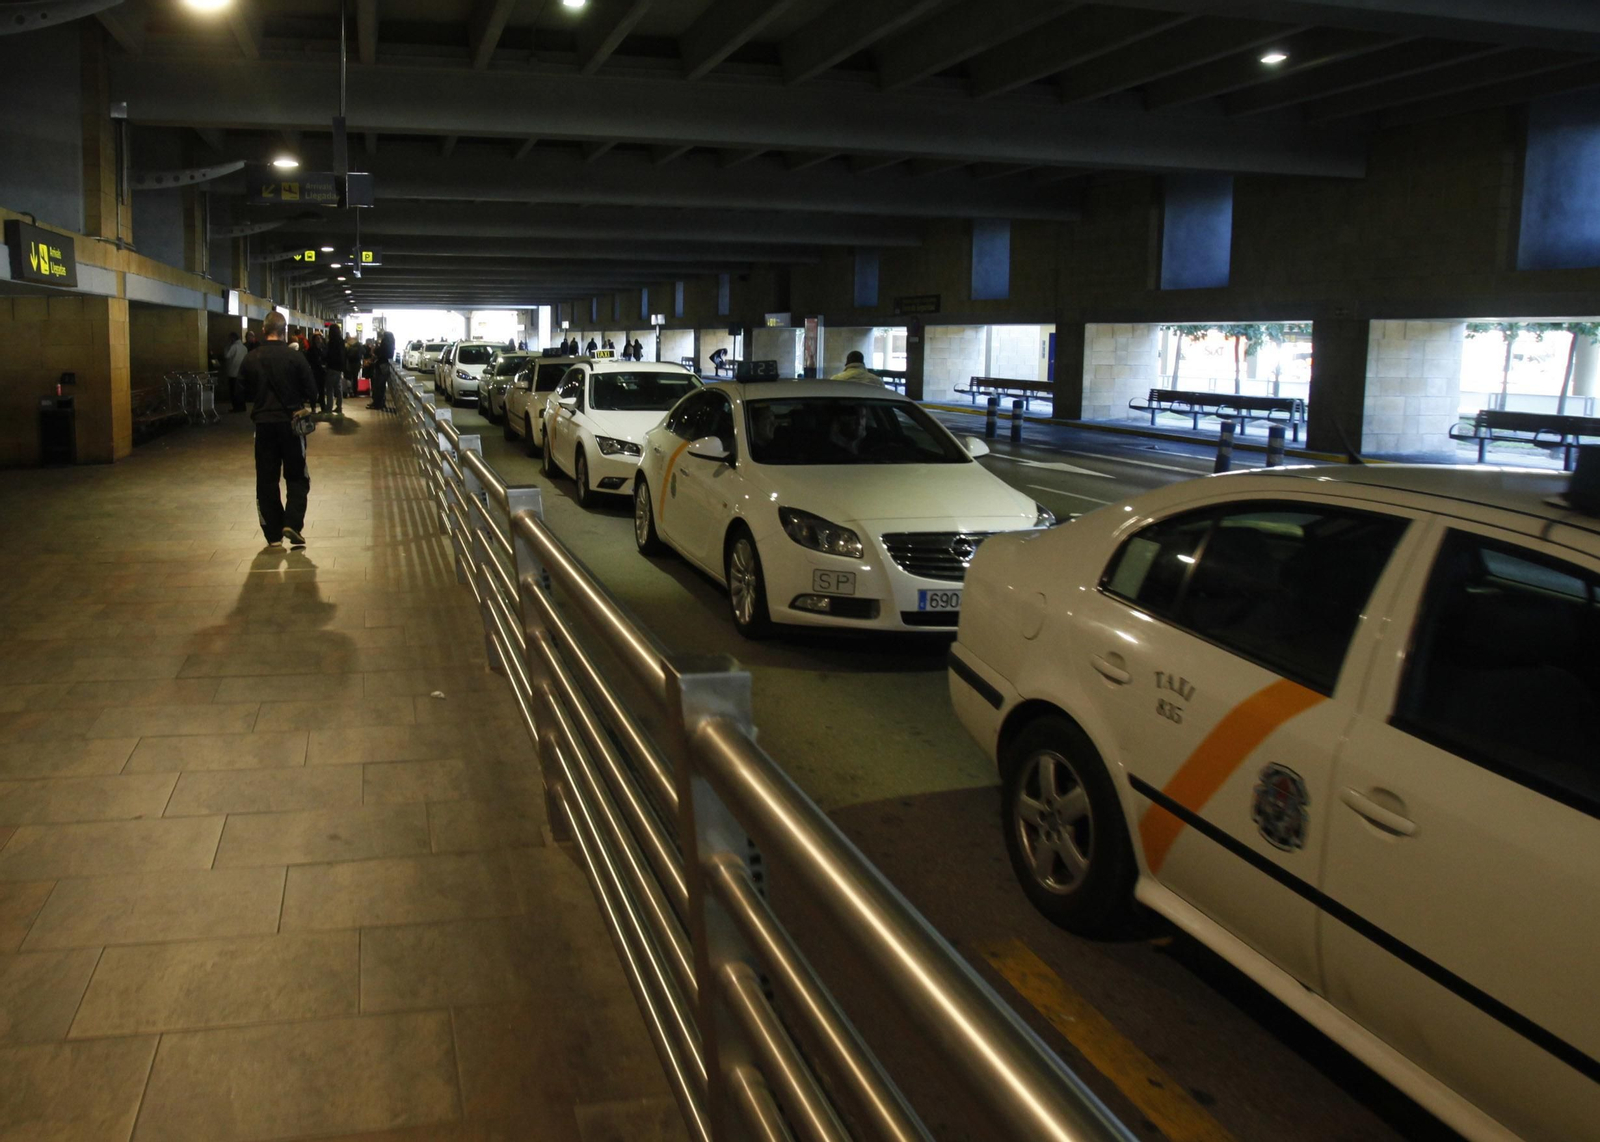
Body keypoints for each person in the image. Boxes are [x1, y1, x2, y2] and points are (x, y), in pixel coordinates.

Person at [244, 311, 318, 550]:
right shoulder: (295, 358)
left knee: (266, 478)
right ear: (284, 331)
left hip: (263, 425)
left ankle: (273, 533)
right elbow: (312, 390)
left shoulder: (251, 357)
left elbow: (241, 392)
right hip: (292, 424)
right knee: (297, 475)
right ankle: (293, 524)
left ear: (264, 331)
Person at [370, 328, 394, 410]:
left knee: (378, 385)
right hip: (386, 365)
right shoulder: (391, 345)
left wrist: (375, 348)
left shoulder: (385, 344)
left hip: (381, 366)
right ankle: (380, 403)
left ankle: (378, 404)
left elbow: (377, 352)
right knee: (381, 386)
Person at [223, 331, 248, 412]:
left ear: (233, 338)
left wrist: (227, 346)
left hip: (233, 372)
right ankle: (242, 407)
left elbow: (227, 355)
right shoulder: (244, 348)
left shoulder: (233, 347)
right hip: (242, 372)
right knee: (241, 391)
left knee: (233, 391)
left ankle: (236, 408)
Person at [323, 332, 345, 414]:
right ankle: (339, 406)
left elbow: (327, 354)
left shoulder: (331, 342)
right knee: (338, 388)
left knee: (330, 388)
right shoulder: (341, 342)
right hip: (339, 368)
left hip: (331, 367)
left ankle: (329, 407)